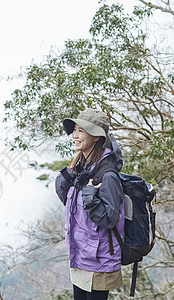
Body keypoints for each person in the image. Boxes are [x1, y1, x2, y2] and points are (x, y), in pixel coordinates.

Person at [55, 108, 125, 300]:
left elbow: (110, 219)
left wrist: (89, 194)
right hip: (80, 254)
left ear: (96, 137)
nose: (74, 135)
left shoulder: (108, 175)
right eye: (74, 130)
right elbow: (65, 199)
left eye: (81, 131)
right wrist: (70, 172)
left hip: (99, 260)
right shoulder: (82, 168)